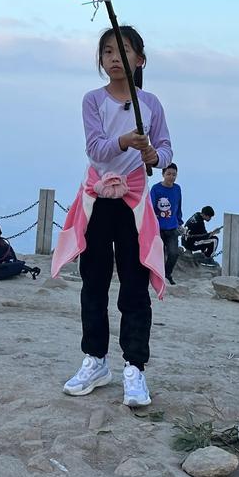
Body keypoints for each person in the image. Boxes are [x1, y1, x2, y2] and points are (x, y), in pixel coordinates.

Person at [52, 26, 172, 408]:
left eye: (123, 51)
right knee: (94, 280)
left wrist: (155, 157)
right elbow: (96, 150)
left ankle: (135, 367)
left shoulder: (150, 103)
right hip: (98, 199)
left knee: (134, 285)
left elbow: (166, 148)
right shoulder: (92, 100)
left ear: (140, 59)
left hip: (134, 202)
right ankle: (95, 360)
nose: (115, 58)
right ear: (100, 60)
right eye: (107, 51)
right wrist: (125, 142)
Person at [150, 163, 183, 285]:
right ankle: (156, 276)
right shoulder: (156, 189)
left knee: (174, 253)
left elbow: (178, 206)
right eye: (168, 174)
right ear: (163, 174)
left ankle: (167, 273)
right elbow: (151, 208)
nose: (171, 177)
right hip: (158, 228)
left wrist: (179, 221)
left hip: (172, 227)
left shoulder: (177, 188)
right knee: (158, 254)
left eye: (174, 174)